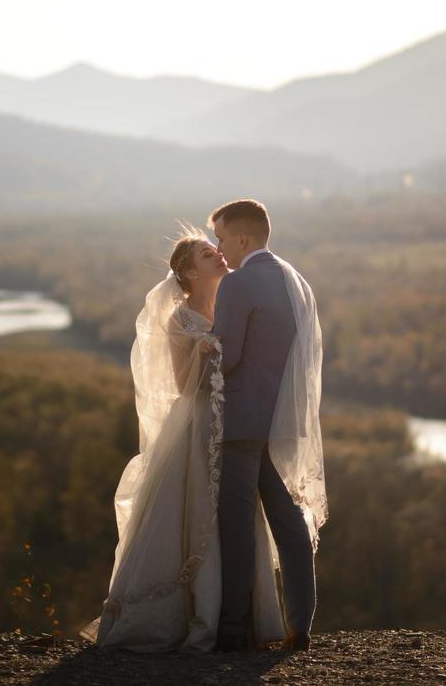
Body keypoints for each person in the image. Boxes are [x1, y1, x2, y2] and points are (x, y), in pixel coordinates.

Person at [81, 227, 286, 652]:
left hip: (238, 425)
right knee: (191, 515)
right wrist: (209, 351)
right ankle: (192, 615)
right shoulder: (181, 321)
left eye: (217, 249)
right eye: (208, 254)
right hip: (197, 427)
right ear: (189, 274)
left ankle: (240, 618)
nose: (219, 255)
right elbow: (183, 382)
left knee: (241, 516)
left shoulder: (233, 305)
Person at [208, 198, 325, 653]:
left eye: (221, 238)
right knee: (288, 520)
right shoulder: (295, 280)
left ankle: (233, 629)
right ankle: (300, 624)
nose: (220, 249)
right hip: (283, 419)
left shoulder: (238, 285)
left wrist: (203, 348)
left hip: (241, 422)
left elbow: (229, 356)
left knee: (236, 526)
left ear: (242, 237)